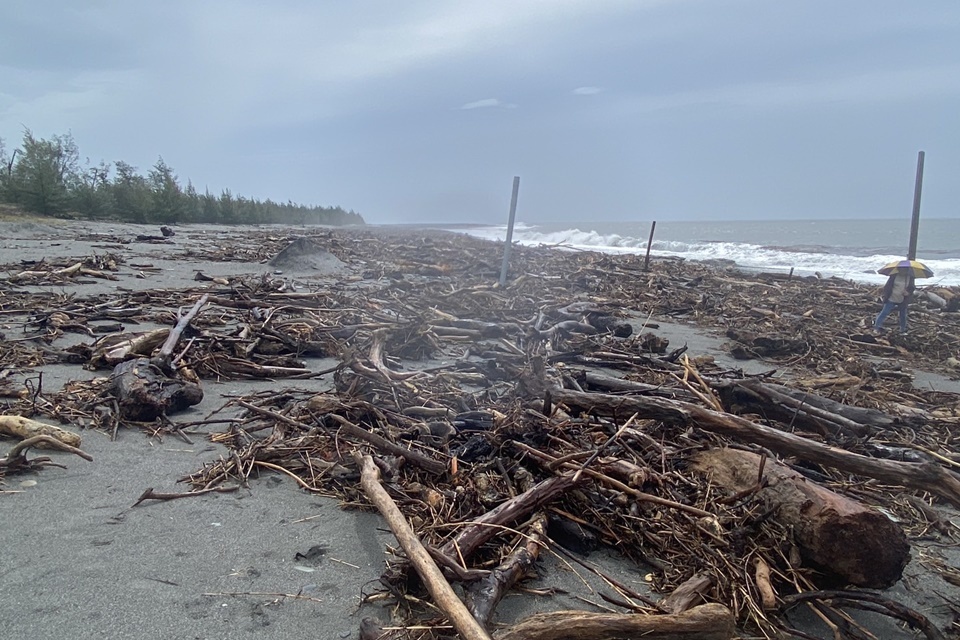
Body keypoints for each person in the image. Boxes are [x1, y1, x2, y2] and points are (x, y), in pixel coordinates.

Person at [874, 269, 915, 333]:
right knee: (884, 312)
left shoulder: (910, 277)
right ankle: (876, 327)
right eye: (901, 269)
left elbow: (912, 287)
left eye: (905, 269)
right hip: (891, 298)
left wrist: (908, 292)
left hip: (902, 299)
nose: (903, 271)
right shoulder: (894, 276)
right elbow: (888, 286)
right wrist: (885, 296)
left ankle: (902, 329)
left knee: (903, 315)